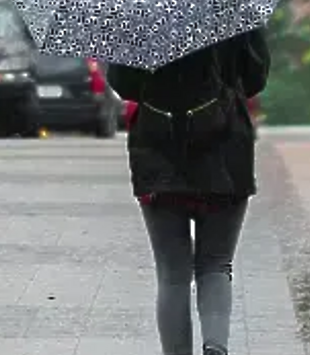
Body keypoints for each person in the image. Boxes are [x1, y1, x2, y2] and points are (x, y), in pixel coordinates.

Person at [107, 28, 270, 355]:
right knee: (216, 263)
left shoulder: (139, 8)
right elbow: (255, 79)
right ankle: (215, 346)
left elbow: (123, 83)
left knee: (172, 274)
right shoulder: (234, 5)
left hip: (158, 148)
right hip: (225, 148)